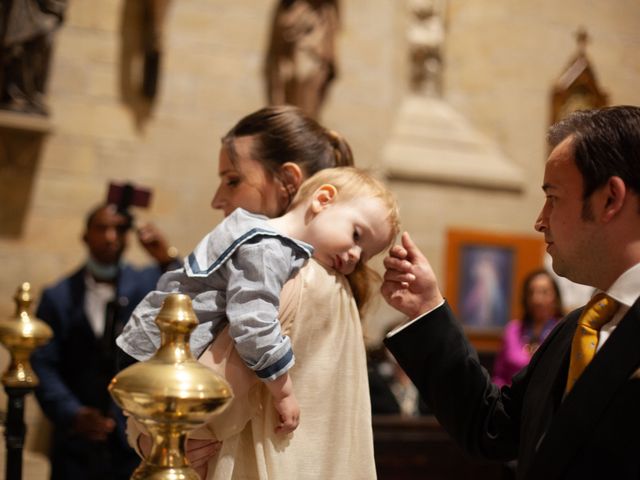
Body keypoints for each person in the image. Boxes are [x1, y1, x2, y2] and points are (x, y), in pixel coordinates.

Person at [381, 105, 640, 479]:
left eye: (553, 197)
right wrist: (427, 308)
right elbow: (494, 428)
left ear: (610, 200)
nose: (540, 220)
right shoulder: (575, 329)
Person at [124, 106, 382, 478]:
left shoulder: (285, 276)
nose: (217, 199)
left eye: (232, 179)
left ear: (289, 180)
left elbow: (202, 407)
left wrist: (148, 436)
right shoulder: (328, 277)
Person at [118, 166, 399, 440]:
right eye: (356, 236)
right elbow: (253, 322)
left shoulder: (253, 228)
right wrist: (284, 390)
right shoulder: (269, 249)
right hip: (163, 356)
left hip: (150, 343)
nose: (353, 255)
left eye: (363, 256)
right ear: (323, 200)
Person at [31, 203, 180, 480]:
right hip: (76, 442)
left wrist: (165, 258)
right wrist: (73, 413)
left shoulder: (147, 282)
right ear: (85, 236)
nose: (111, 237)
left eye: (120, 229)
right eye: (102, 228)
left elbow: (188, 297)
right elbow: (43, 364)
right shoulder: (59, 296)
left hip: (134, 439)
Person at [264, 0, 340, 119]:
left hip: (315, 34)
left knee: (309, 81)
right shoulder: (288, 12)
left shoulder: (325, 14)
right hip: (290, 49)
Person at [492, 269, 563, 387]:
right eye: (531, 292)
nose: (537, 299)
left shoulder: (563, 331)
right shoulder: (512, 330)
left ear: (555, 298)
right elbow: (499, 375)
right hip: (510, 399)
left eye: (544, 292)